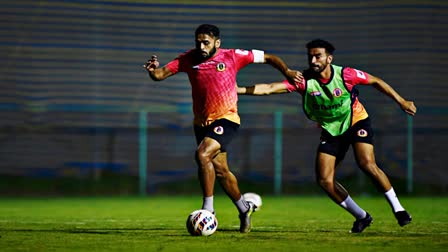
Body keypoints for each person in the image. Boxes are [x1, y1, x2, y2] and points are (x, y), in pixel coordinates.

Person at [237, 39, 416, 233]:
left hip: (355, 121)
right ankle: (362, 216)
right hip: (331, 130)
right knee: (324, 180)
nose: (313, 60)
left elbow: (375, 81)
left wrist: (401, 101)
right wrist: (238, 90)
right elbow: (270, 88)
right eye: (310, 56)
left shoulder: (345, 74)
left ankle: (399, 209)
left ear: (329, 58)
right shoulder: (303, 80)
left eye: (318, 56)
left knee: (366, 163)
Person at [143, 24, 302, 233]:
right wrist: (153, 71)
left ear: (217, 43)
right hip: (201, 123)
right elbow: (160, 75)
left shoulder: (233, 56)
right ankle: (244, 209)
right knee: (222, 171)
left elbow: (270, 57)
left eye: (206, 42)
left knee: (202, 155)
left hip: (226, 118)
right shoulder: (187, 59)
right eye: (198, 42)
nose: (201, 46)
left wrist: (287, 71)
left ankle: (208, 210)